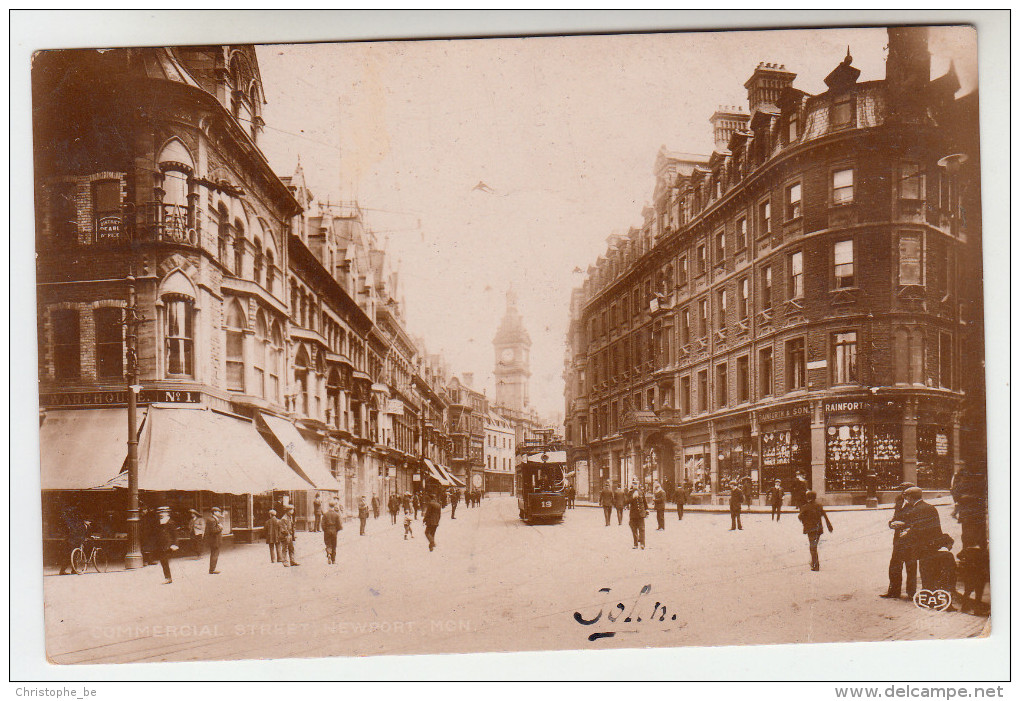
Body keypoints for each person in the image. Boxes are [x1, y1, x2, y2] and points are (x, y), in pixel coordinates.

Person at [898, 486, 945, 591]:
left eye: (907, 497)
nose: (906, 500)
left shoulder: (917, 509)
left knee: (925, 571)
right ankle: (932, 594)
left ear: (910, 497)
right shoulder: (929, 507)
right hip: (934, 543)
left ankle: (928, 596)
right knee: (932, 571)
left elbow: (918, 529)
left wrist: (906, 533)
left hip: (923, 545)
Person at [881, 483, 919, 599]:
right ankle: (894, 591)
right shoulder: (899, 502)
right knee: (894, 566)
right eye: (902, 491)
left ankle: (911, 593)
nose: (902, 494)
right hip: (898, 539)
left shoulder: (914, 504)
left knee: (910, 566)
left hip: (909, 540)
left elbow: (916, 522)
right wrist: (891, 524)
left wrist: (904, 524)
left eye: (904, 491)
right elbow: (895, 517)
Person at [797, 491, 833, 571]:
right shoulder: (819, 506)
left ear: (807, 498)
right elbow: (825, 516)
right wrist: (829, 526)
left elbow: (800, 517)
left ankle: (815, 565)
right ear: (815, 497)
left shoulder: (805, 507)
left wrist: (804, 521)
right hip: (818, 529)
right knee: (814, 546)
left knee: (812, 547)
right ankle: (814, 563)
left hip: (810, 529)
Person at [58, 505, 89, 575]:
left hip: (70, 541)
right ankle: (69, 570)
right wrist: (82, 542)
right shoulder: (82, 526)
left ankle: (70, 570)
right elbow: (79, 535)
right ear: (85, 521)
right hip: (74, 542)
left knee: (71, 556)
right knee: (72, 556)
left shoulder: (77, 524)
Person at [154, 506, 178, 584]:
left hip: (168, 544)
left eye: (162, 512)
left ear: (167, 513)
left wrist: (175, 544)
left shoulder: (171, 522)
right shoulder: (159, 522)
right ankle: (167, 577)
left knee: (164, 560)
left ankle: (168, 578)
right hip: (161, 544)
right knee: (163, 561)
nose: (161, 514)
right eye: (160, 512)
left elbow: (175, 535)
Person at [205, 507, 223, 574]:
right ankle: (212, 570)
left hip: (215, 540)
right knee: (214, 554)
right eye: (218, 512)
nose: (219, 513)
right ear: (214, 512)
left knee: (214, 554)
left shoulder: (213, 519)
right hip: (214, 540)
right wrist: (220, 527)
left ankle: (212, 569)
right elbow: (213, 530)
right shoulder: (212, 520)